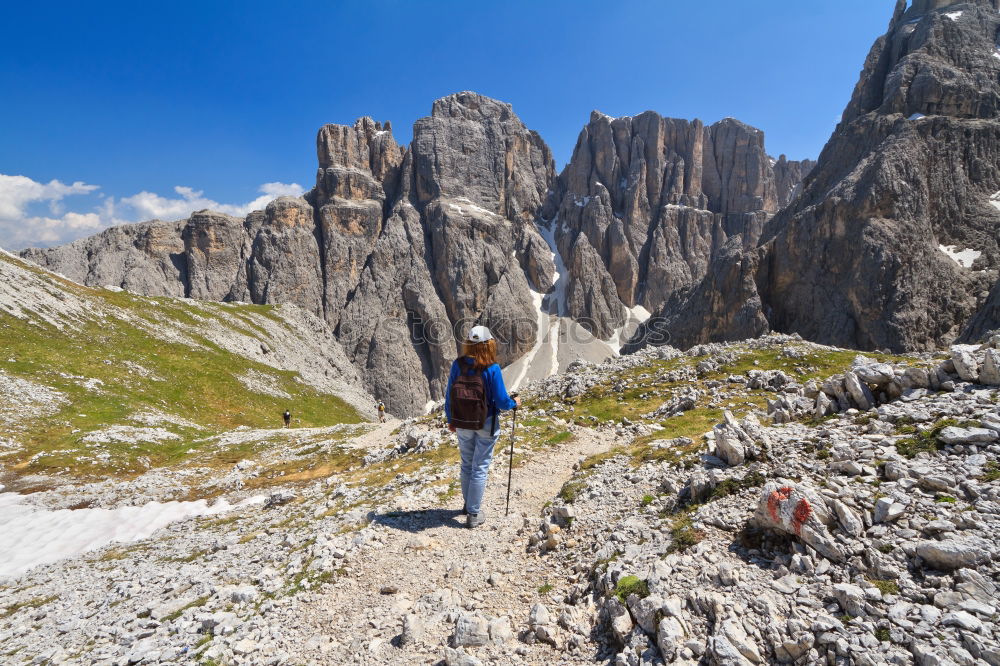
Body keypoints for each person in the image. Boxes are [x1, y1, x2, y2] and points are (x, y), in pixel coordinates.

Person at [444, 325, 521, 528]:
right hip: (486, 422)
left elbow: (449, 396)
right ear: (489, 344)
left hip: (461, 422)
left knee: (466, 464)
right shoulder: (492, 369)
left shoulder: (457, 365)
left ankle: (467, 505)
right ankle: (473, 514)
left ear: (468, 344)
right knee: (480, 467)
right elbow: (502, 402)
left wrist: (451, 419)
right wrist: (515, 403)